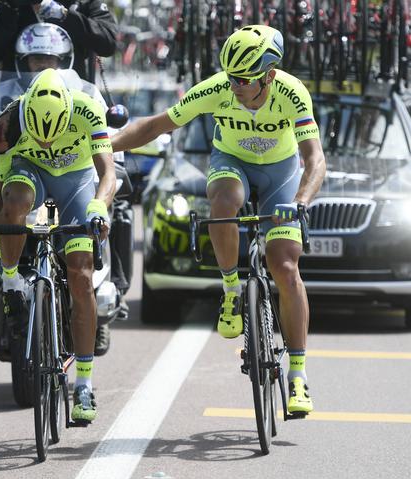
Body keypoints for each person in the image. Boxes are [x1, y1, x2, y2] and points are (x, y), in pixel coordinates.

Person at [111, 25, 326, 415]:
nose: (235, 86)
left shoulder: (292, 92)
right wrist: (102, 148)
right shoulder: (216, 89)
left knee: (285, 266)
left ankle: (298, 375)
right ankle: (230, 291)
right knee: (224, 201)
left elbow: (315, 159)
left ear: (269, 75)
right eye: (230, 77)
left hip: (281, 172)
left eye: (244, 79)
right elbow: (157, 125)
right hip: (232, 163)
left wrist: (300, 201)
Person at [0, 68, 116, 422]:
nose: (47, 143)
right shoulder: (6, 126)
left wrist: (97, 208)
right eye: (39, 136)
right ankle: (15, 282)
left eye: (53, 136)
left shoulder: (88, 108)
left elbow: (108, 174)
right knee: (15, 203)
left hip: (75, 180)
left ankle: (85, 386)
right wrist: (5, 261)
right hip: (28, 172)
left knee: (80, 274)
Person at [0, 0, 118, 81]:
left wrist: (65, 15)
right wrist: (10, 9)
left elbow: (109, 43)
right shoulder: (10, 4)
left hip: (74, 98)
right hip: (17, 101)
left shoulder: (84, 3)